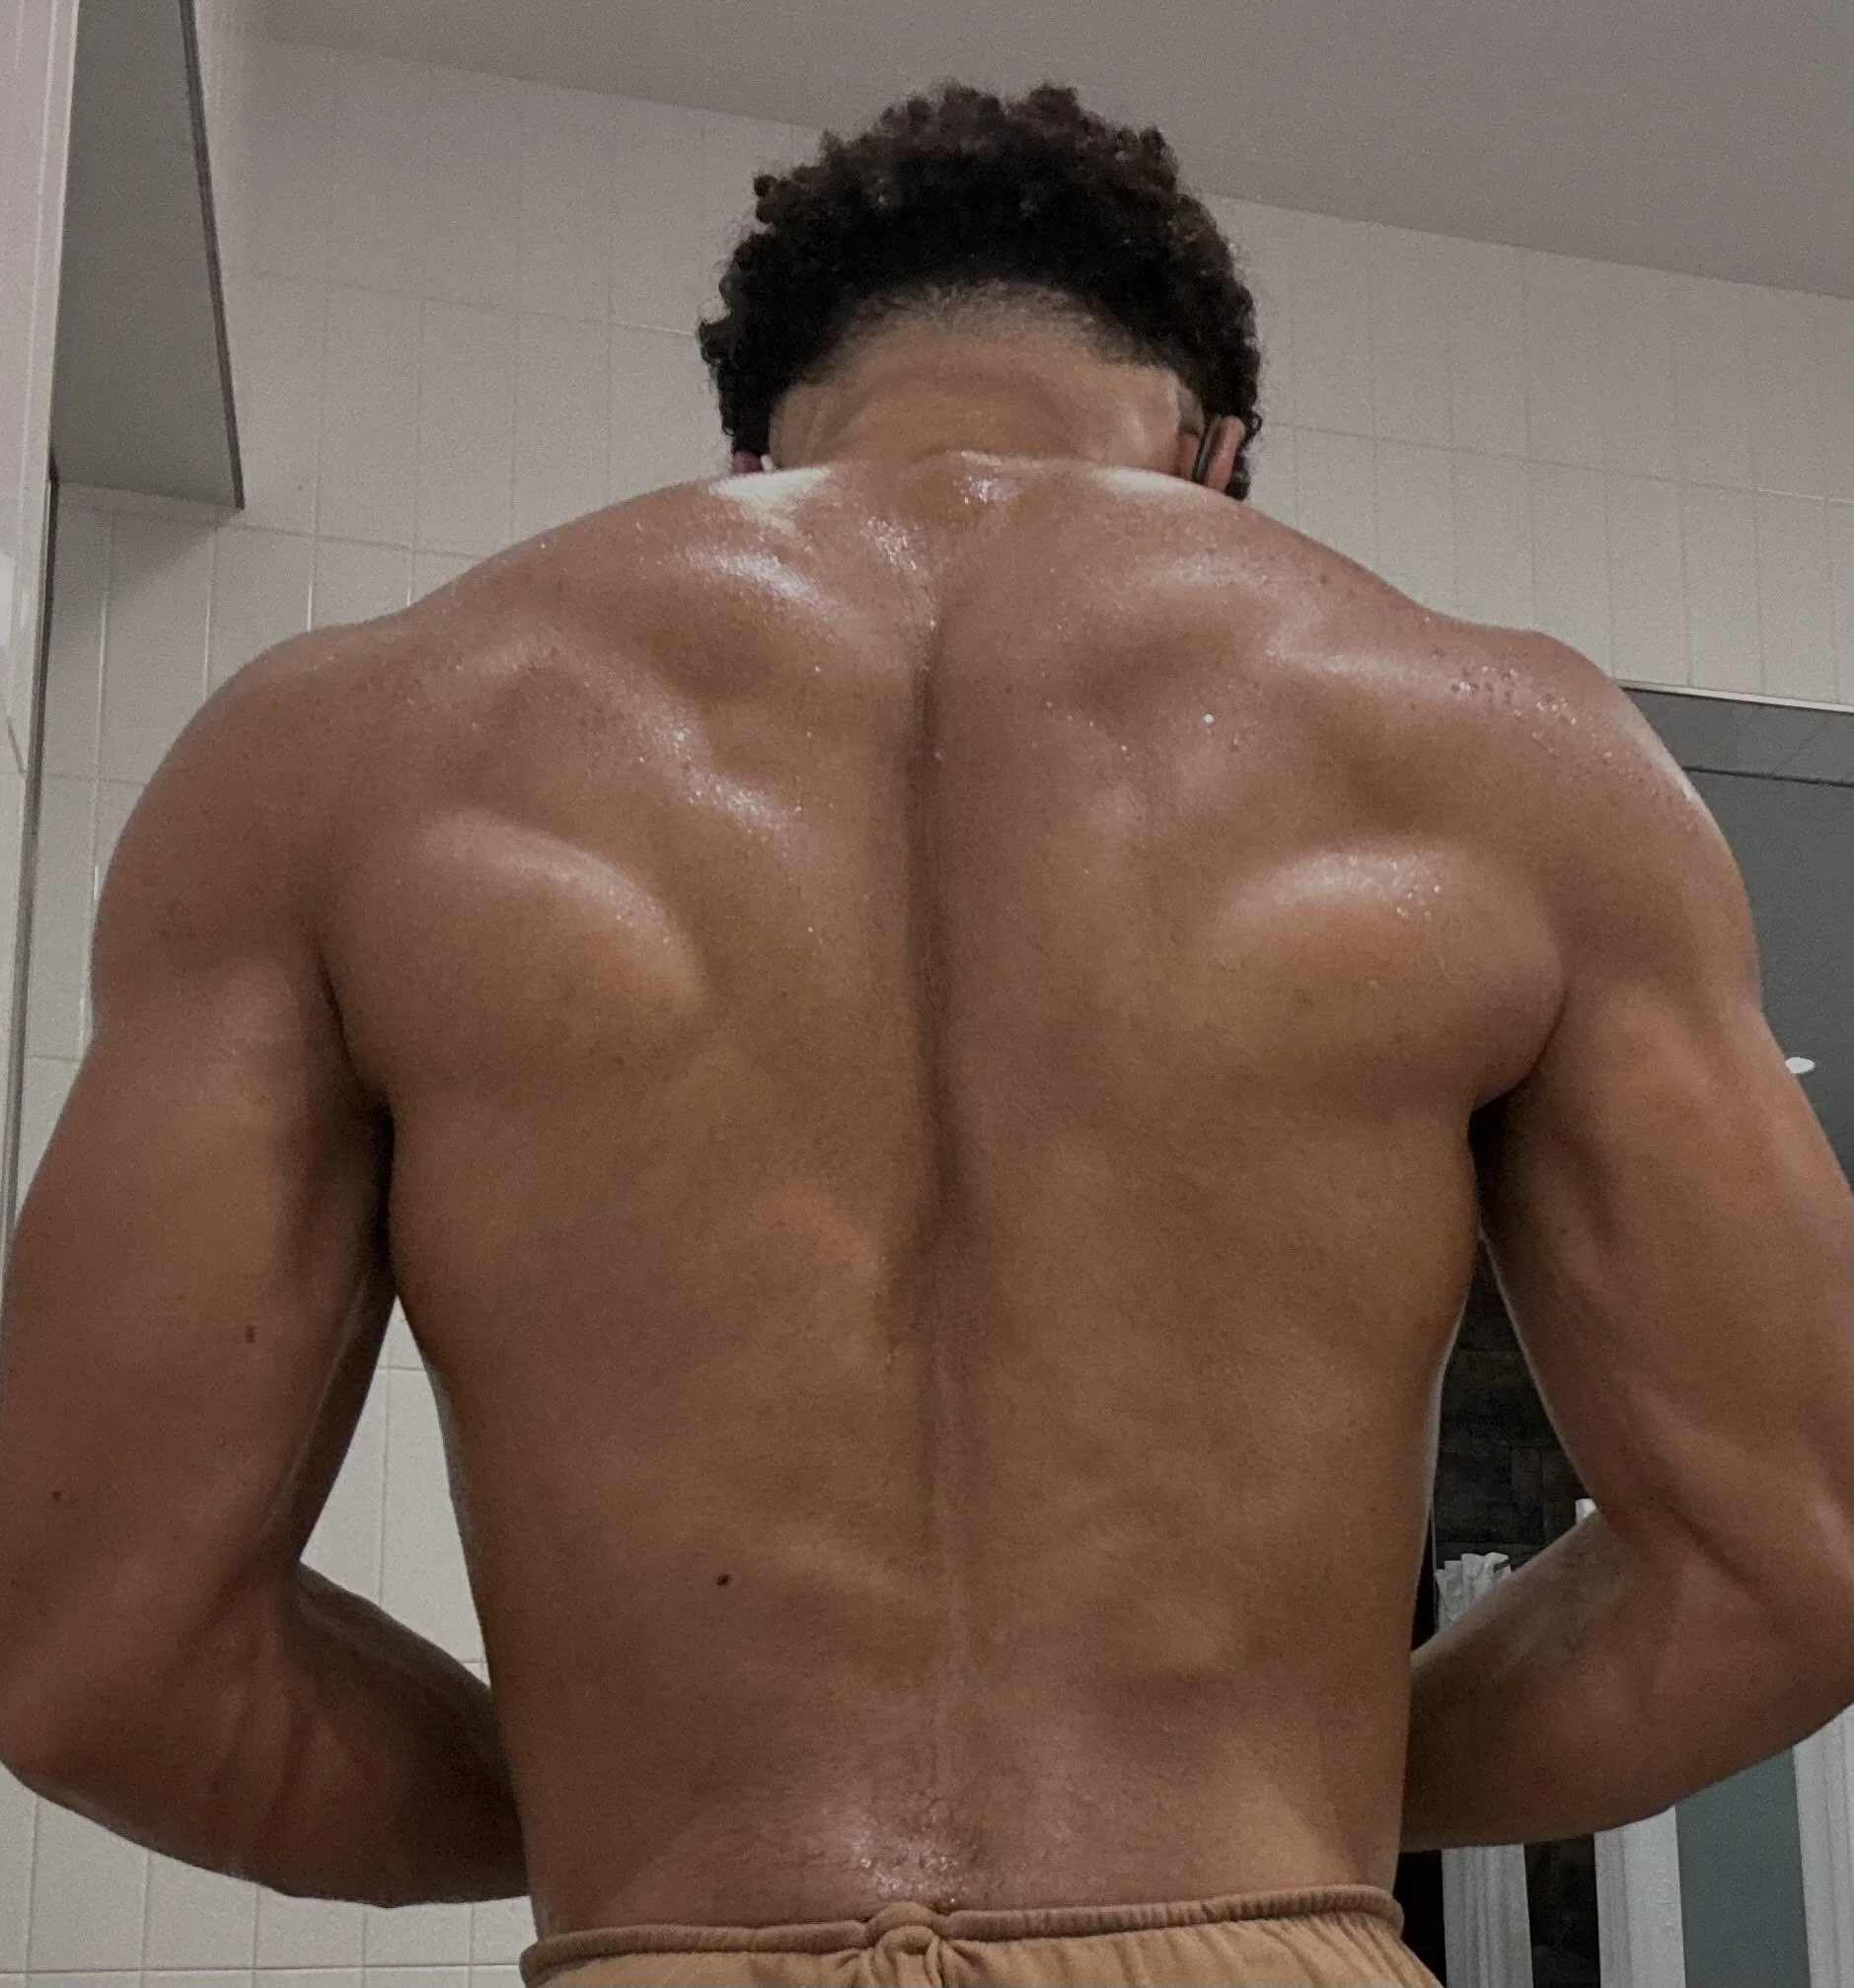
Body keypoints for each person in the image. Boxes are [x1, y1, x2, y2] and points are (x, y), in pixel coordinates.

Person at [0, 80, 1847, 1988]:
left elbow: (95, 1658)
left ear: (751, 444)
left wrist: (623, 1807)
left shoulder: (329, 752)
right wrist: (1289, 1812)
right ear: (1222, 447)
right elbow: (1785, 1569)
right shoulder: (1521, 755)